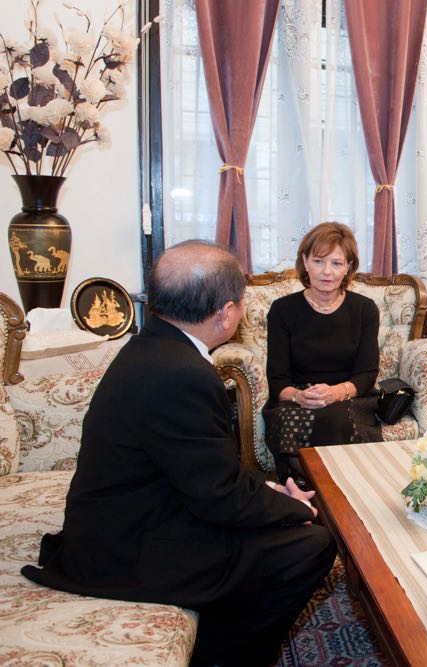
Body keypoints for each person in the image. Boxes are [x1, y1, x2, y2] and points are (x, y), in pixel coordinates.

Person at [21, 241, 337, 667]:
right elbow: (219, 494)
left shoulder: (151, 347)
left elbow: (206, 466)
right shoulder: (183, 374)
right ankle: (225, 655)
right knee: (311, 544)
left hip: (140, 509)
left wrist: (266, 490)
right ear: (226, 312)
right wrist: (293, 507)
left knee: (274, 524)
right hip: (127, 548)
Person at [264, 222, 381, 482]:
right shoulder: (282, 310)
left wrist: (336, 392)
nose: (327, 272)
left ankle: (328, 495)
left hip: (349, 394)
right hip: (298, 396)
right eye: (318, 261)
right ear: (305, 261)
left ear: (349, 267)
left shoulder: (365, 309)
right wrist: (299, 396)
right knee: (292, 422)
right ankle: (310, 492)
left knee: (336, 418)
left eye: (337, 264)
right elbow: (277, 379)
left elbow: (366, 373)